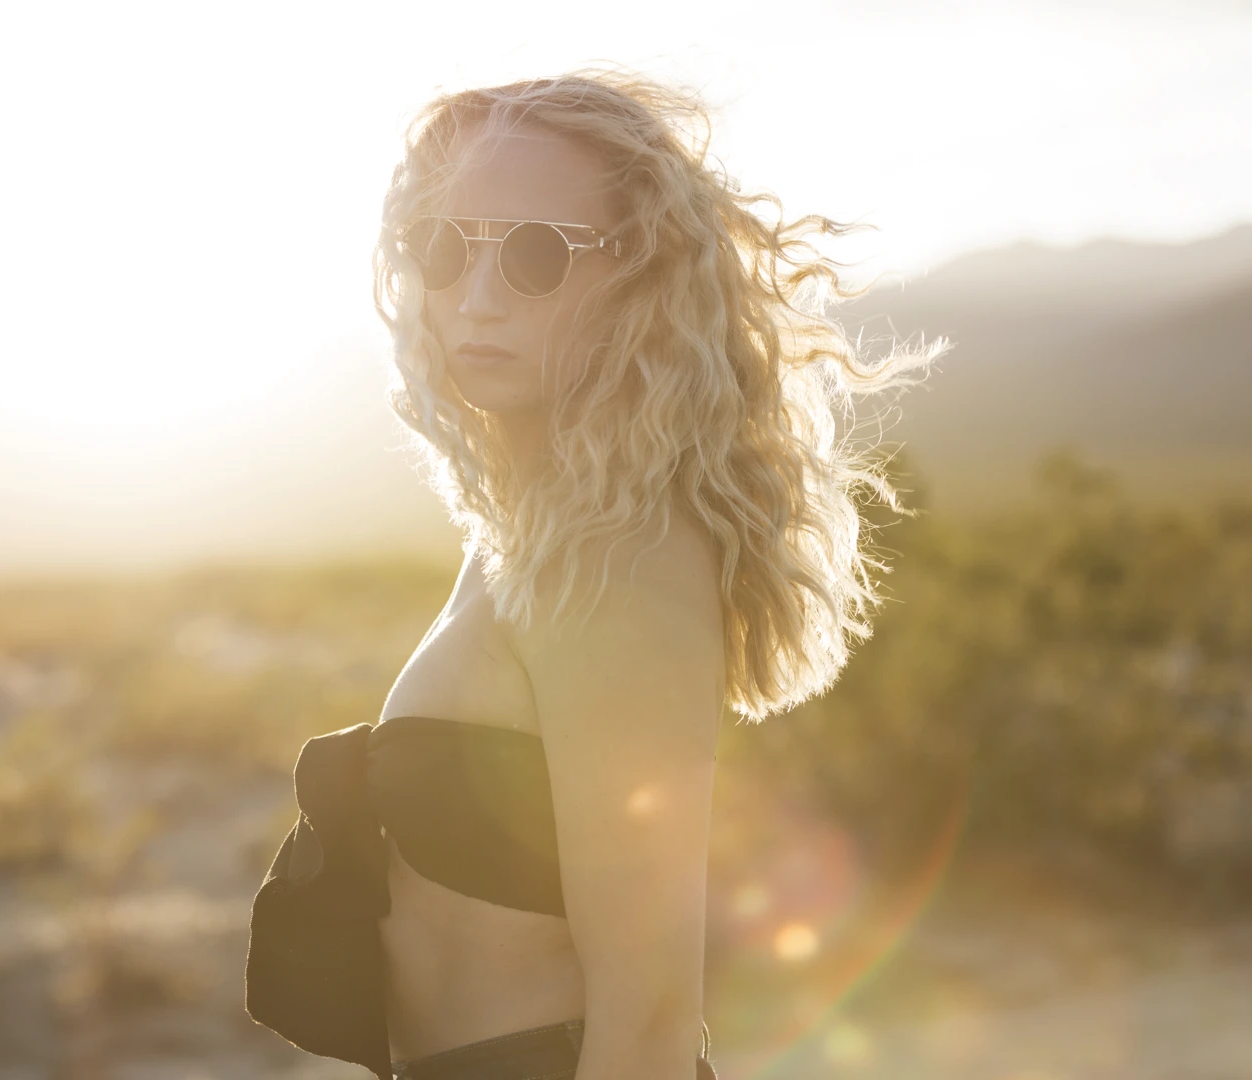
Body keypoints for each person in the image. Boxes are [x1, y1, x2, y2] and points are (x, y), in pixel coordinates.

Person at [245, 68, 943, 1080]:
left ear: (637, 275)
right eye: (443, 249)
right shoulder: (534, 530)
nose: (474, 300)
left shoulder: (616, 554)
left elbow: (652, 1013)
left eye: (535, 256)